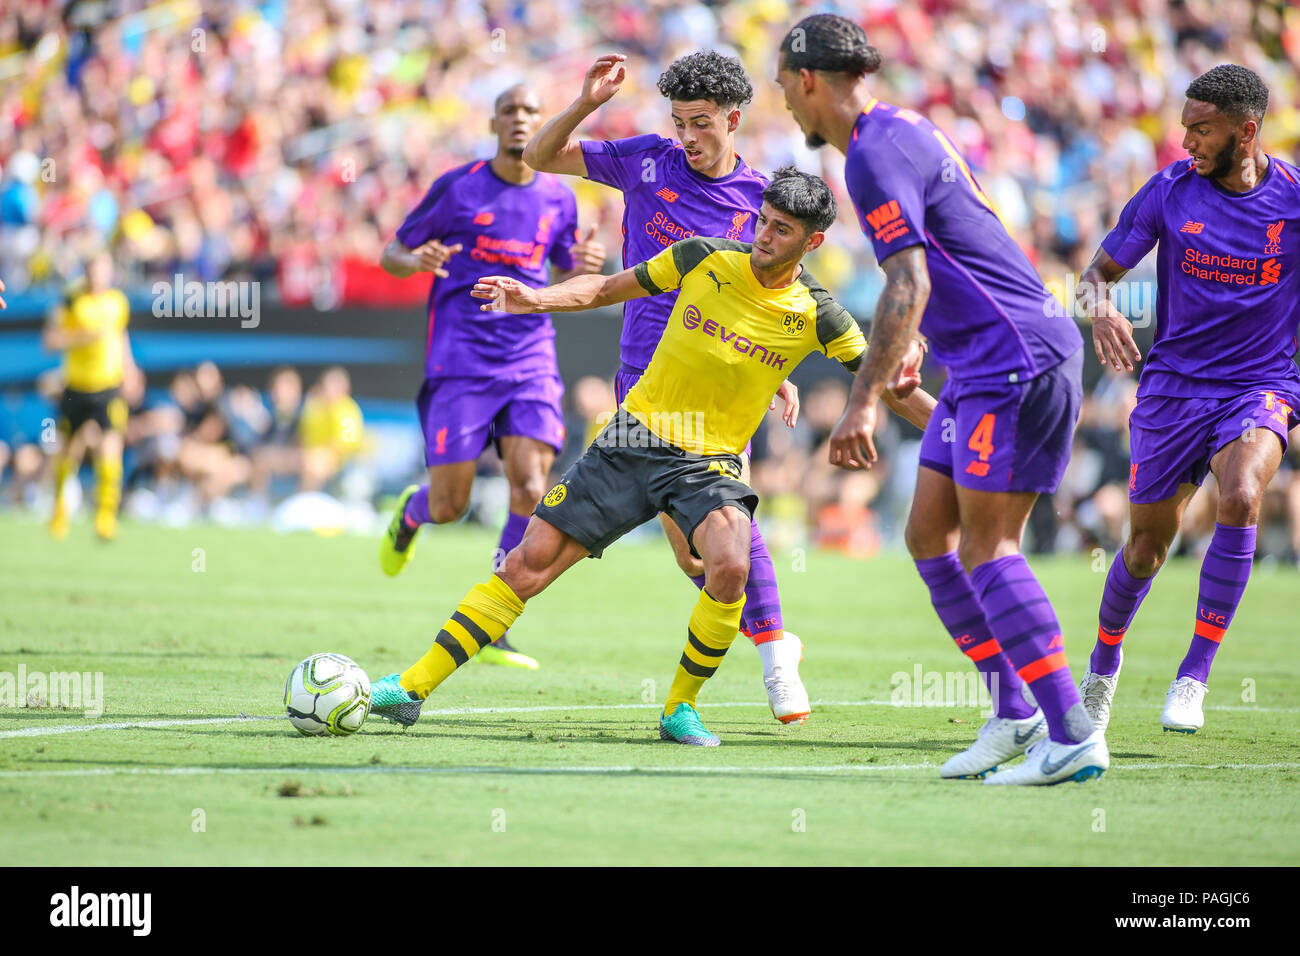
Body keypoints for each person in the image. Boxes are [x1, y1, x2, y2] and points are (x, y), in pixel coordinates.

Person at [366, 169, 933, 744]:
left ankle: (678, 709)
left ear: (812, 242)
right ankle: (410, 689)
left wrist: (951, 434)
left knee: (730, 563)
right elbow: (606, 289)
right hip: (632, 440)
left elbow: (888, 383)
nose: (763, 235)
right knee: (524, 566)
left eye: (781, 230)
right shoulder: (703, 257)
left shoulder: (819, 314)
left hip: (707, 464)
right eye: (762, 221)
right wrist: (536, 298)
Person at [775, 13, 1105, 785]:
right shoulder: (896, 132)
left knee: (990, 546)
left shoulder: (872, 155)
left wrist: (861, 400)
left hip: (1012, 361)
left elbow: (910, 278)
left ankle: (1071, 733)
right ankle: (1014, 710)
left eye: (785, 87)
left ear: (808, 79)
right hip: (986, 361)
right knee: (929, 536)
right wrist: (919, 342)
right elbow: (948, 255)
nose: (786, 104)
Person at [525, 50, 812, 724]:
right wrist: (586, 102)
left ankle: (774, 657)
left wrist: (780, 369)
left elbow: (770, 297)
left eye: (703, 123)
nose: (689, 137)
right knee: (692, 553)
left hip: (716, 383)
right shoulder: (646, 159)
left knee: (729, 525)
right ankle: (770, 636)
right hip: (642, 381)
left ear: (734, 119)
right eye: (681, 122)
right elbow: (543, 155)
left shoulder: (760, 203)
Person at [1075, 64, 1299, 735]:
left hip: (1259, 384)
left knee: (1240, 496)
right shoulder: (1169, 191)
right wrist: (1101, 309)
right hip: (1173, 388)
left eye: (1202, 131)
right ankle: (1103, 667)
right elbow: (1093, 276)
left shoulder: (1293, 199)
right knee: (1144, 549)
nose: (1187, 144)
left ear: (1247, 129)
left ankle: (1193, 676)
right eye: (1185, 129)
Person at [378, 83, 606, 669]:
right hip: (461, 360)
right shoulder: (458, 187)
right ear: (493, 122)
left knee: (532, 488)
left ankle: (494, 621)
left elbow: (560, 268)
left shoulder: (560, 197)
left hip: (529, 357)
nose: (522, 119)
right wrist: (418, 259)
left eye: (532, 110)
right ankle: (412, 511)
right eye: (511, 111)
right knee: (450, 505)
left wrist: (580, 267)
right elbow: (393, 254)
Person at [43, 251, 133, 541]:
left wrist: (130, 369)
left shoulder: (117, 302)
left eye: (104, 270)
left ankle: (105, 515)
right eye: (94, 270)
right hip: (76, 386)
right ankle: (59, 509)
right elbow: (50, 340)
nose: (99, 276)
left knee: (110, 448)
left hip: (107, 386)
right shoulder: (71, 300)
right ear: (86, 271)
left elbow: (120, 336)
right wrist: (83, 336)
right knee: (67, 452)